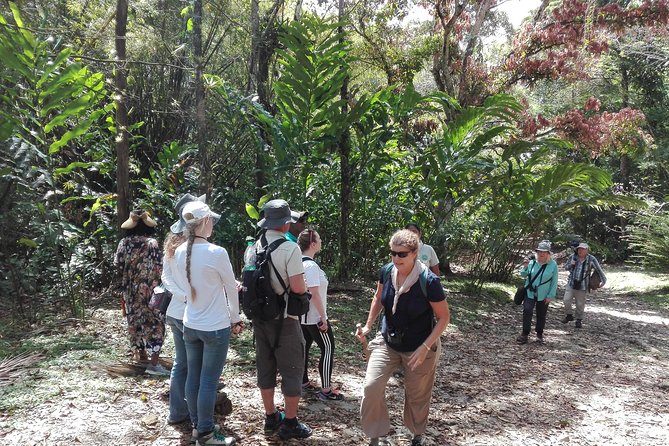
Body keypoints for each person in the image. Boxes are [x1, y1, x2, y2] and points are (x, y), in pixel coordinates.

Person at [357, 229, 450, 446]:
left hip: (420, 345)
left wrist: (426, 347)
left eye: (402, 254)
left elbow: (444, 318)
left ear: (415, 253)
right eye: (393, 253)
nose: (396, 258)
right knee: (372, 387)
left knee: (417, 394)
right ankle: (375, 435)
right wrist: (369, 325)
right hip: (388, 341)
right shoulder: (387, 271)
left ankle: (417, 434)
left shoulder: (429, 281)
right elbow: (378, 297)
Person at [173, 201, 244, 446]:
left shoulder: (180, 251)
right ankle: (204, 432)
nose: (213, 223)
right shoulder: (217, 252)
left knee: (193, 377)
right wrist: (236, 318)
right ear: (204, 222)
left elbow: (184, 288)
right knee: (208, 381)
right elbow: (231, 290)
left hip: (190, 324)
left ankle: (198, 425)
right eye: (211, 219)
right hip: (215, 327)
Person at [253, 199, 312, 440]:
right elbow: (298, 288)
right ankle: (290, 422)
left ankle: (270, 417)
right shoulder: (291, 249)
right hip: (285, 318)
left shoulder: (254, 246)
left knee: (265, 366)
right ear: (285, 224)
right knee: (292, 369)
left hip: (260, 319)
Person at [161, 193, 205, 425]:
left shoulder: (172, 242)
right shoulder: (190, 243)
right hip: (191, 314)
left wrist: (182, 296)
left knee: (182, 364)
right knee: (194, 365)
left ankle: (179, 412)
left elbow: (166, 278)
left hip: (176, 312)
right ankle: (196, 415)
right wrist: (189, 297)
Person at [114, 209, 167, 375]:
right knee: (156, 324)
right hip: (151, 292)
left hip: (130, 291)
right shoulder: (152, 243)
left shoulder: (123, 243)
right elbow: (160, 268)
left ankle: (141, 356)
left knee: (135, 323)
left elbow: (119, 266)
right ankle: (154, 362)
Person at [297, 228, 343, 401]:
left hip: (303, 318)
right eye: (319, 238)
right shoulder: (310, 265)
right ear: (313, 244)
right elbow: (314, 294)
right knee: (328, 348)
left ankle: (303, 382)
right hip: (314, 318)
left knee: (305, 348)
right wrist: (323, 318)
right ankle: (326, 390)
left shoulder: (299, 263)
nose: (322, 241)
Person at [516, 240, 559, 344]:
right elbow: (523, 274)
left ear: (548, 253)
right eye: (540, 251)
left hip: (544, 294)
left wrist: (550, 296)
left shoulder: (553, 265)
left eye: (544, 252)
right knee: (527, 310)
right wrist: (525, 266)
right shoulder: (532, 262)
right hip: (530, 292)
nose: (542, 254)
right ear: (537, 252)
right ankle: (525, 334)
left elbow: (554, 282)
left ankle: (539, 335)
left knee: (541, 314)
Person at [562, 242, 607, 329]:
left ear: (587, 250)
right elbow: (566, 267)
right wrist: (571, 264)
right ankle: (569, 315)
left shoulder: (591, 259)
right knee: (566, 300)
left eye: (583, 249)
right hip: (571, 283)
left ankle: (579, 320)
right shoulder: (573, 257)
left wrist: (603, 281)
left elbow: (599, 269)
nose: (580, 251)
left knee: (580, 304)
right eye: (579, 249)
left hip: (583, 285)